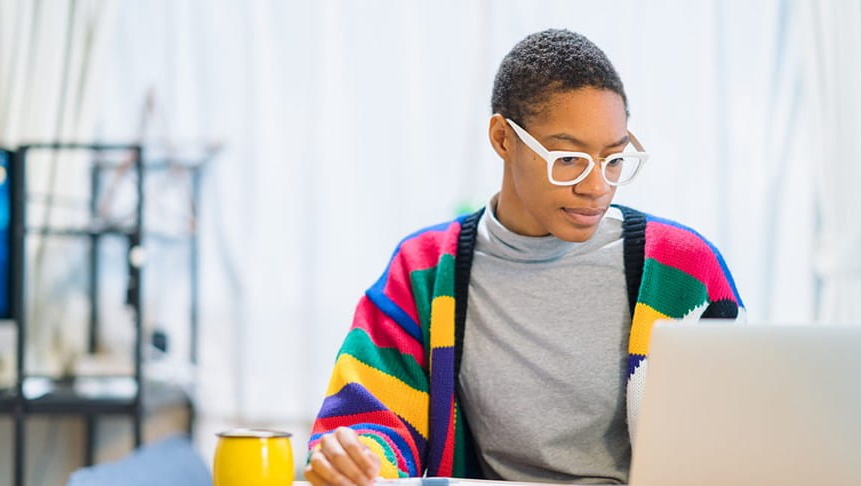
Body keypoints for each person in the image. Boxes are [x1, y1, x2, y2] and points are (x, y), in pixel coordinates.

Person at [304, 28, 744, 486]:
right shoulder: (425, 270)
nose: (597, 187)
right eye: (569, 159)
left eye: (613, 160)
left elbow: (736, 438)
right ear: (502, 139)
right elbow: (371, 417)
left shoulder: (681, 270)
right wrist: (357, 457)